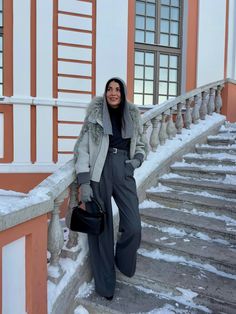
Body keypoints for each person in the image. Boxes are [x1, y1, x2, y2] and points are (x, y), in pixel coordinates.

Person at [73, 77, 146, 300]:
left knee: (133, 226)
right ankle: (105, 286)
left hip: (124, 170)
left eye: (117, 89)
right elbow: (83, 149)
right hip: (99, 172)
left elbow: (141, 143)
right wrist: (84, 182)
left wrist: (137, 160)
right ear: (105, 93)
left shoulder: (132, 115)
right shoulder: (95, 116)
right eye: (109, 89)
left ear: (123, 93)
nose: (113, 93)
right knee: (102, 231)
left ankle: (123, 261)